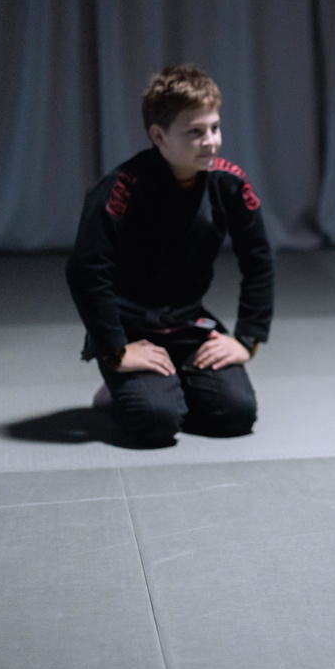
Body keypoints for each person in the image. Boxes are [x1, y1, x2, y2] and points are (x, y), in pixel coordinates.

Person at [66, 64, 274, 446]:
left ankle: (168, 381)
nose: (210, 141)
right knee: (156, 422)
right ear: (158, 136)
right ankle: (126, 386)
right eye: (195, 132)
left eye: (214, 127)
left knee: (236, 414)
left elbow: (259, 260)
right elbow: (86, 270)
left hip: (187, 322)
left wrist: (246, 339)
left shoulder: (229, 183)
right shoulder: (120, 188)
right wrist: (115, 351)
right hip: (129, 328)